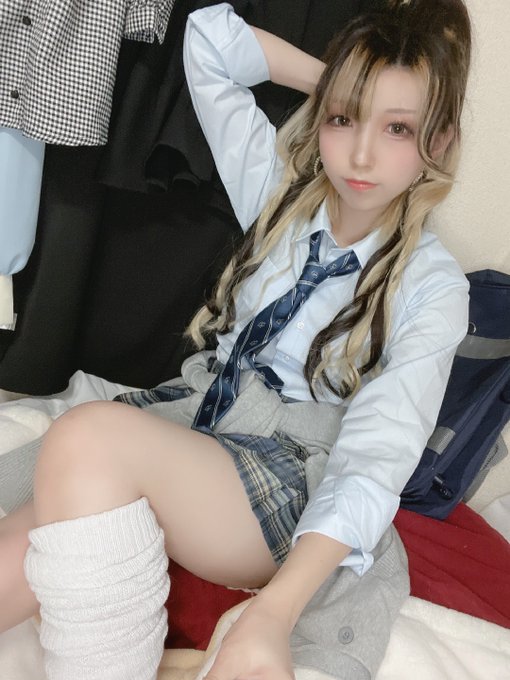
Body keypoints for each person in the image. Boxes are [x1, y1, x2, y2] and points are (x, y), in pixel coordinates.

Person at [0, 0, 472, 678]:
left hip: (287, 473)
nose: (362, 153)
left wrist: (273, 614)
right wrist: (342, 83)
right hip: (199, 420)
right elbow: (208, 40)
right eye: (343, 120)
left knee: (85, 436)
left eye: (398, 128)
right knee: (17, 548)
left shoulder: (432, 285)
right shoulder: (280, 191)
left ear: (439, 141)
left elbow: (375, 458)